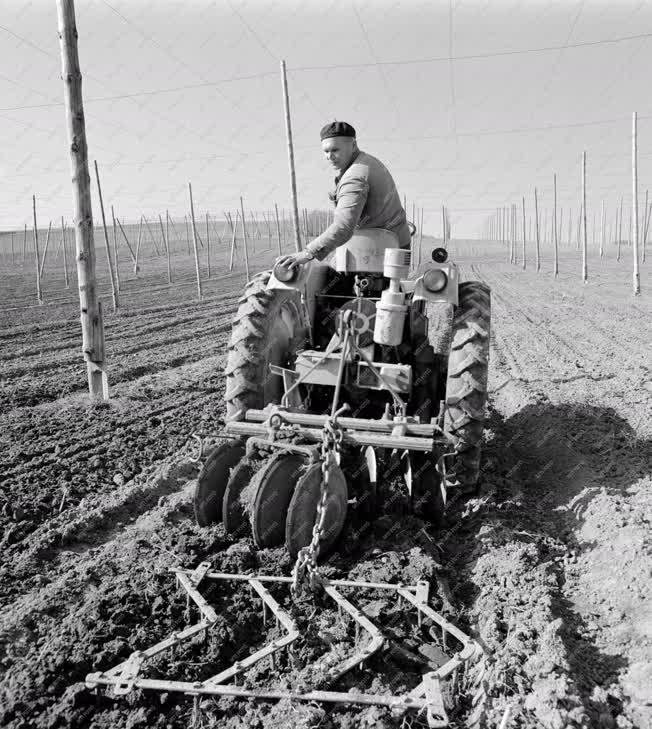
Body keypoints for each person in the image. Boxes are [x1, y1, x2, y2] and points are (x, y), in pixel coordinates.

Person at [276, 121, 410, 272]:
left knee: (322, 285)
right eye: (326, 151)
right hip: (388, 246)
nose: (329, 156)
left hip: (379, 252)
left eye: (335, 150)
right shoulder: (367, 162)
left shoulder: (355, 176)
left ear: (353, 145)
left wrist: (307, 253)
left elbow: (343, 227)